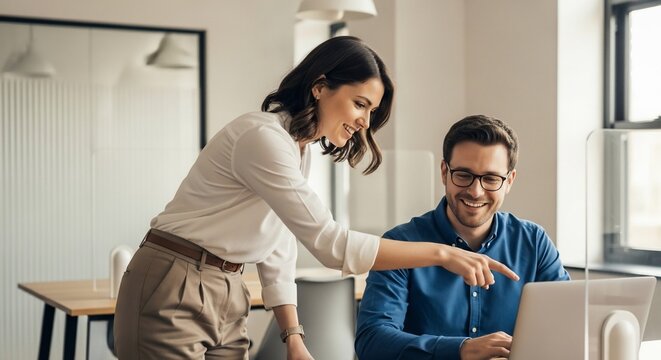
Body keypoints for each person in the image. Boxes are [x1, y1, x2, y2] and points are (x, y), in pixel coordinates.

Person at [113, 37, 519, 360]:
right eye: (360, 103)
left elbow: (277, 249)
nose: (364, 121)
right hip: (175, 280)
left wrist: (293, 335)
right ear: (320, 86)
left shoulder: (297, 151)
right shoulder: (262, 138)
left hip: (230, 287)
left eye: (371, 110)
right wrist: (443, 254)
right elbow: (330, 244)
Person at [355, 115, 570, 360]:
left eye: (490, 178)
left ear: (509, 181)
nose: (475, 191)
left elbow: (567, 324)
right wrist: (461, 349)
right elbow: (372, 341)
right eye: (464, 175)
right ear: (444, 172)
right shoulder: (400, 244)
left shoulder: (534, 243)